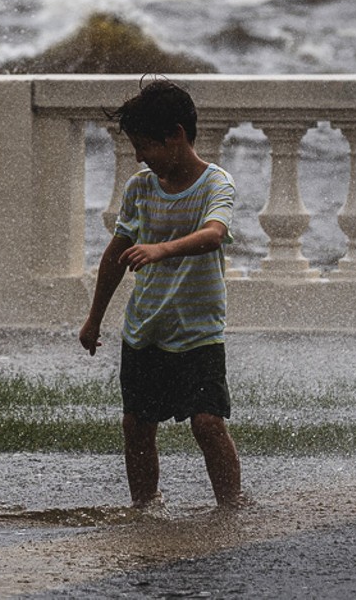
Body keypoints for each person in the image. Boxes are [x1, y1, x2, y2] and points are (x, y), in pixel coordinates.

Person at [78, 79, 242, 510]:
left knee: (207, 423)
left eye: (145, 145)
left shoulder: (215, 184)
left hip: (199, 331)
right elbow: (115, 256)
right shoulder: (140, 188)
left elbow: (213, 235)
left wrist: (161, 249)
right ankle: (145, 507)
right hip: (145, 329)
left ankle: (231, 506)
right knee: (137, 424)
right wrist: (94, 318)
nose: (138, 157)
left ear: (177, 135)